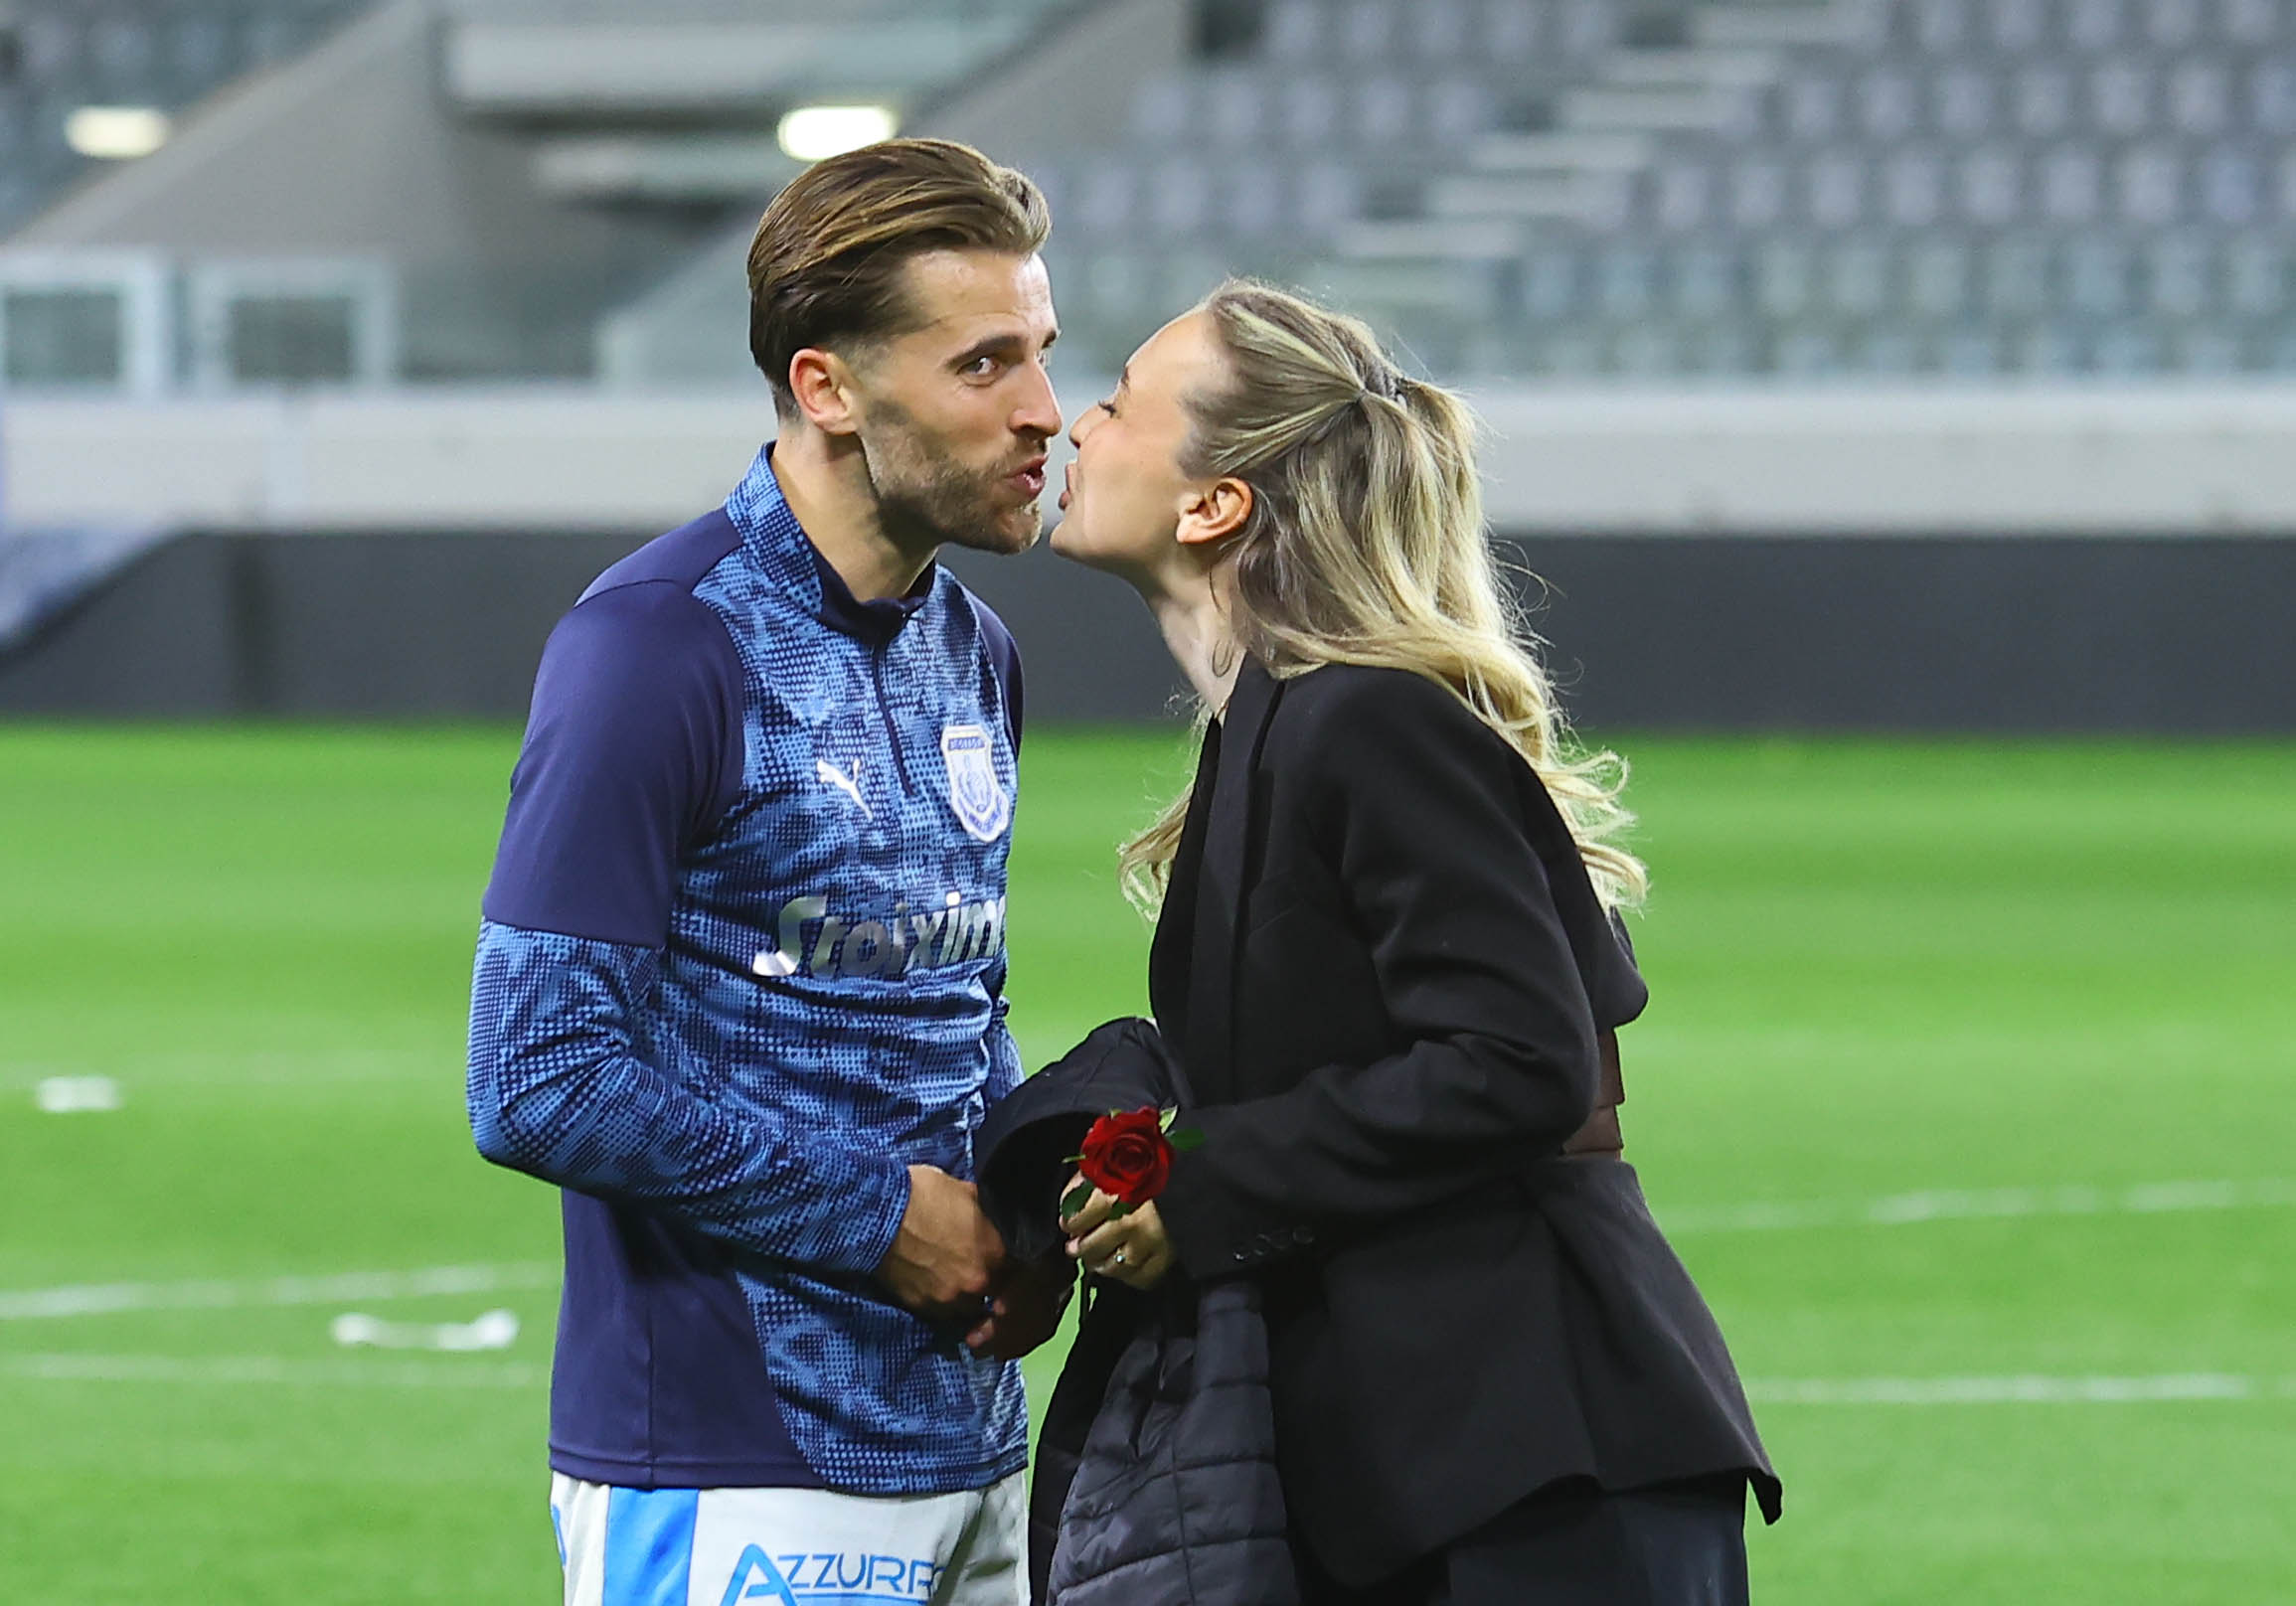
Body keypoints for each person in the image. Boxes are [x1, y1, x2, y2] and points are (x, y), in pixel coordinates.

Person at [1044, 281, 1780, 1604]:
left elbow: (1520, 1061)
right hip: (1443, 1469)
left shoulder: (1367, 720)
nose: (1071, 426)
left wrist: (1202, 1182)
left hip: (1538, 1466)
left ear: (1214, 505)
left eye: (1115, 403)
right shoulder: (1277, 728)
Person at [465, 138, 1069, 1606]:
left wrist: (1023, 1206)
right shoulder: (657, 647)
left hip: (973, 1450)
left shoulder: (974, 650)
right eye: (983, 365)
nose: (1044, 412)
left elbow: (952, 999)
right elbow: (537, 1074)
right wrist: (883, 1220)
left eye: (1041, 355)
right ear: (827, 388)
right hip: (728, 1457)